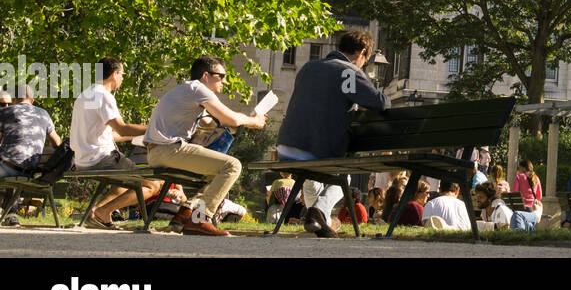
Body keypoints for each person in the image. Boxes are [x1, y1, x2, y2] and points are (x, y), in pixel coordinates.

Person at [275, 29, 391, 238]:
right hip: (313, 149)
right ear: (362, 52)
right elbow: (380, 103)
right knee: (343, 178)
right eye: (365, 60)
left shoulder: (308, 68)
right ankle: (318, 211)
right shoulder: (348, 71)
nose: (363, 65)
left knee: (330, 175)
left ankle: (323, 221)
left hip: (285, 147)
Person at [144, 56, 266, 237]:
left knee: (215, 174)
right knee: (232, 166)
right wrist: (253, 121)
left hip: (159, 152)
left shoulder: (188, 90)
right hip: (168, 150)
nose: (225, 82)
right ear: (205, 75)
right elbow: (231, 118)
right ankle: (200, 218)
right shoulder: (198, 89)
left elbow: (210, 122)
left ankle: (185, 212)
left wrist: (234, 123)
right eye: (221, 76)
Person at [69, 57, 164, 229]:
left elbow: (109, 134)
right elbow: (122, 128)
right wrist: (155, 129)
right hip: (102, 160)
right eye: (123, 75)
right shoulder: (104, 96)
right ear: (114, 74)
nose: (123, 79)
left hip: (83, 160)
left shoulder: (84, 95)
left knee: (123, 180)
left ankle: (97, 211)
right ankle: (103, 212)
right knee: (152, 184)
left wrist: (133, 137)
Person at [0, 84, 61, 178]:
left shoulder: (6, 112)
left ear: (13, 99)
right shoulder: (44, 114)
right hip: (29, 173)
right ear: (32, 100)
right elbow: (57, 142)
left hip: (7, 169)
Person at [511, 159, 543, 230]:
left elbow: (514, 192)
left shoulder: (519, 177)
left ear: (524, 168)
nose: (518, 170)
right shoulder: (536, 178)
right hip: (531, 209)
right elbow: (539, 196)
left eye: (519, 168)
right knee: (530, 231)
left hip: (521, 208)